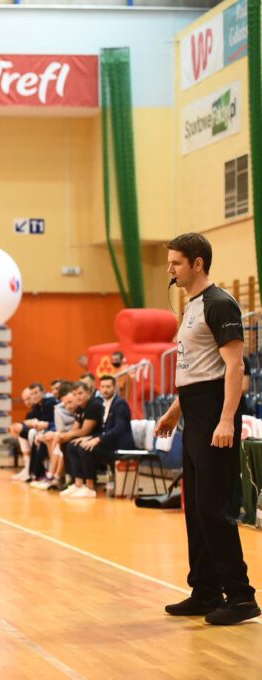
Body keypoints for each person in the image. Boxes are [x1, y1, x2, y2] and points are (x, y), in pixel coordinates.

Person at [156, 232, 259, 625]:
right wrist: (175, 410)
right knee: (196, 507)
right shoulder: (193, 306)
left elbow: (234, 367)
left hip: (216, 412)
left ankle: (241, 596)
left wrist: (226, 419)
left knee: (214, 507)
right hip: (194, 411)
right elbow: (195, 370)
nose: (170, 269)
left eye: (176, 263)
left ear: (197, 263)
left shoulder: (220, 303)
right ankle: (205, 590)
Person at [62, 375, 133, 498]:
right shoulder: (104, 404)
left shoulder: (120, 404)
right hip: (108, 444)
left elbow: (119, 429)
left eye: (108, 387)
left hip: (119, 447)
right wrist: (89, 438)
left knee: (85, 448)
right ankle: (78, 484)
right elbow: (104, 430)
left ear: (114, 387)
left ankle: (90, 487)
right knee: (72, 445)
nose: (105, 390)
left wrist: (97, 439)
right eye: (103, 387)